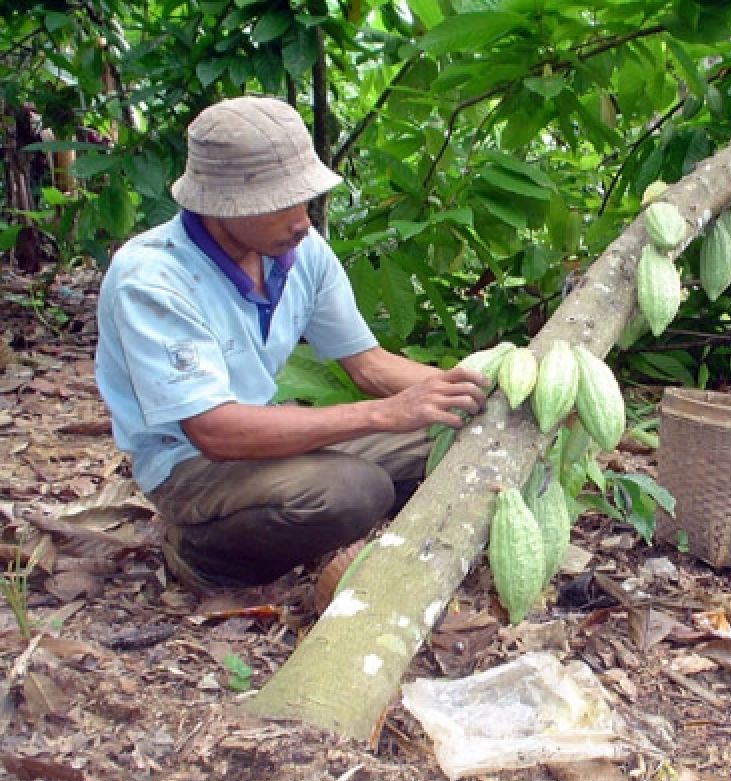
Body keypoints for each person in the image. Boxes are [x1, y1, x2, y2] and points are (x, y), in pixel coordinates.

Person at [94, 96, 489, 591]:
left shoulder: (301, 253)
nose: (300, 220)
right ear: (220, 206)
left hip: (262, 434)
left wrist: (486, 390)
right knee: (353, 493)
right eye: (279, 206)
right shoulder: (153, 280)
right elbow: (214, 432)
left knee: (456, 430)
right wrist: (380, 415)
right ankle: (203, 556)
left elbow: (368, 364)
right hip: (188, 461)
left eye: (302, 200)